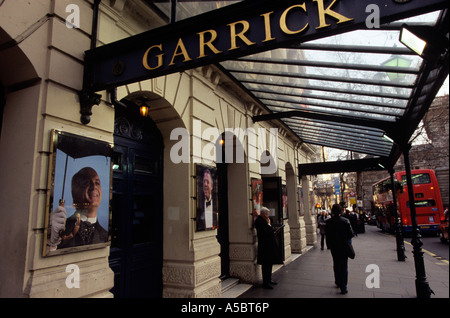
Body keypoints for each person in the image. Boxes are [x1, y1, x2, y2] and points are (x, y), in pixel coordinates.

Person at [49, 167, 108, 251]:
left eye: (97, 183)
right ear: (75, 192)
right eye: (87, 183)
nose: (94, 187)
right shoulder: (61, 228)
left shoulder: (104, 234)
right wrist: (53, 242)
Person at [326, 204, 354, 294]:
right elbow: (351, 234)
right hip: (344, 246)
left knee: (336, 263)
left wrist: (329, 245)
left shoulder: (329, 222)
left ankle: (338, 281)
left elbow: (328, 235)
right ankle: (344, 286)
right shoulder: (345, 221)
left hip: (334, 247)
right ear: (341, 211)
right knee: (344, 266)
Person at [254, 206, 278, 289]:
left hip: (269, 246)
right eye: (267, 214)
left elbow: (270, 231)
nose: (268, 216)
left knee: (269, 264)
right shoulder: (259, 221)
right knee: (265, 265)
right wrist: (269, 224)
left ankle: (269, 279)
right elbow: (266, 232)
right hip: (265, 247)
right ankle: (265, 282)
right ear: (263, 214)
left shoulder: (264, 220)